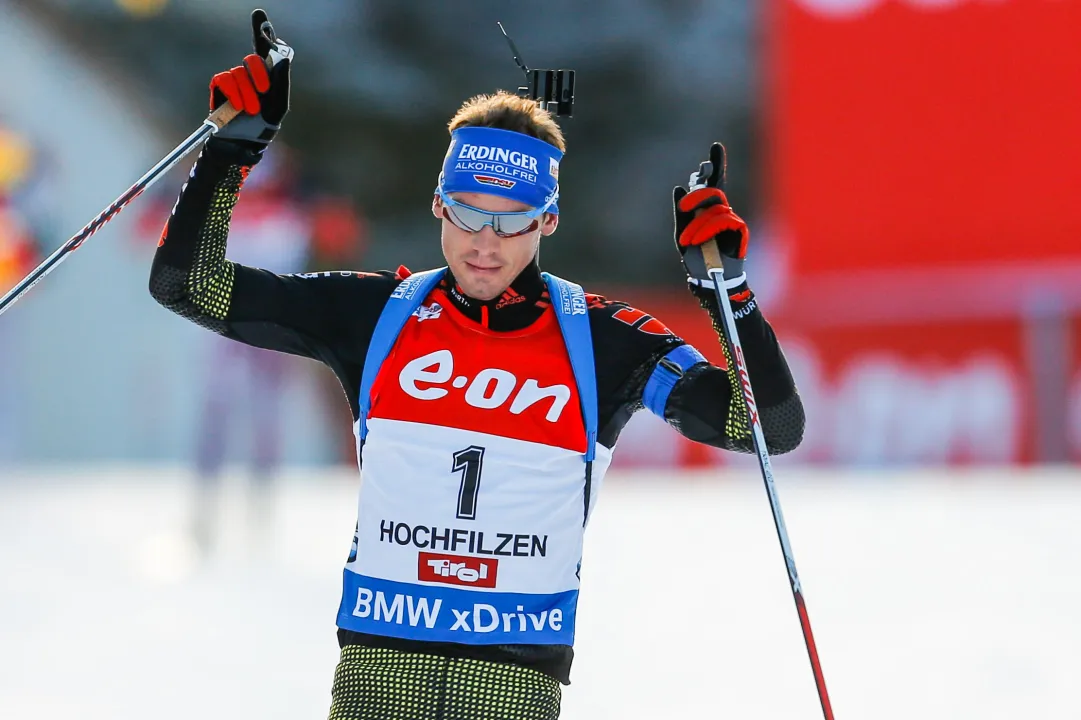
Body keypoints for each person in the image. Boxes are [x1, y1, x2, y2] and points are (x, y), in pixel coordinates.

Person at [148, 12, 805, 720]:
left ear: (547, 219)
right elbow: (189, 285)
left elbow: (764, 428)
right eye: (465, 213)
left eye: (512, 219)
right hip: (380, 676)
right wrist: (230, 154)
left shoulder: (603, 340)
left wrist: (728, 297)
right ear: (438, 204)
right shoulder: (378, 314)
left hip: (512, 688)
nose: (485, 243)